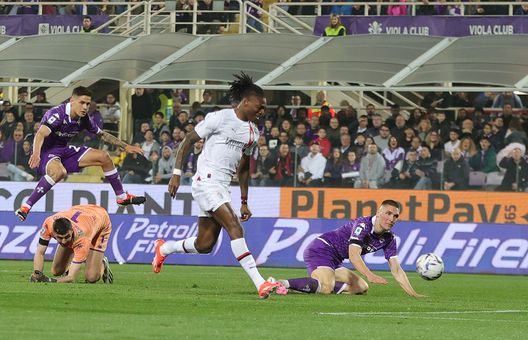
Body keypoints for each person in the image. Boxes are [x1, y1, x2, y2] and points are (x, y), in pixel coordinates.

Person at [151, 73, 287, 299]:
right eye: (259, 106)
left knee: (204, 245)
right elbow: (188, 141)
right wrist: (176, 174)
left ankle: (164, 248)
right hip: (206, 181)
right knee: (235, 228)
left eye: (264, 108)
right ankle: (260, 283)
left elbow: (244, 166)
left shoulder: (253, 132)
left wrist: (244, 201)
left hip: (222, 187)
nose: (262, 111)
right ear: (246, 101)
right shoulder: (220, 118)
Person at [15, 87, 146, 221]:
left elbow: (102, 135)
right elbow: (41, 133)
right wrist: (36, 154)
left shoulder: (84, 119)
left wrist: (126, 146)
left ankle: (122, 197)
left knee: (104, 157)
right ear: (72, 100)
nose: (85, 107)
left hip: (62, 150)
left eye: (88, 104)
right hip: (44, 152)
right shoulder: (57, 114)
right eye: (82, 102)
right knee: (59, 172)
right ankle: (26, 206)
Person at [271, 200, 424, 297]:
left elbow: (396, 269)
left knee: (361, 287)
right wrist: (369, 275)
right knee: (326, 288)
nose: (391, 219)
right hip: (321, 249)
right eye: (388, 213)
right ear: (378, 213)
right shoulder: (363, 224)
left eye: (395, 216)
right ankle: (280, 283)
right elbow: (353, 255)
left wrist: (413, 293)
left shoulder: (389, 238)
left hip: (336, 259)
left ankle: (316, 285)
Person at [29, 204, 114, 284]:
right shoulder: (48, 224)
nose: (63, 241)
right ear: (53, 233)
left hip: (101, 219)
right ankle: (78, 260)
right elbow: (40, 252)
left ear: (71, 230)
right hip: (82, 212)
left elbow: (71, 277)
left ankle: (101, 263)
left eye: (67, 237)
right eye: (59, 238)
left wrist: (49, 280)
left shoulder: (82, 239)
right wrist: (37, 273)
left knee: (91, 277)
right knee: (56, 271)